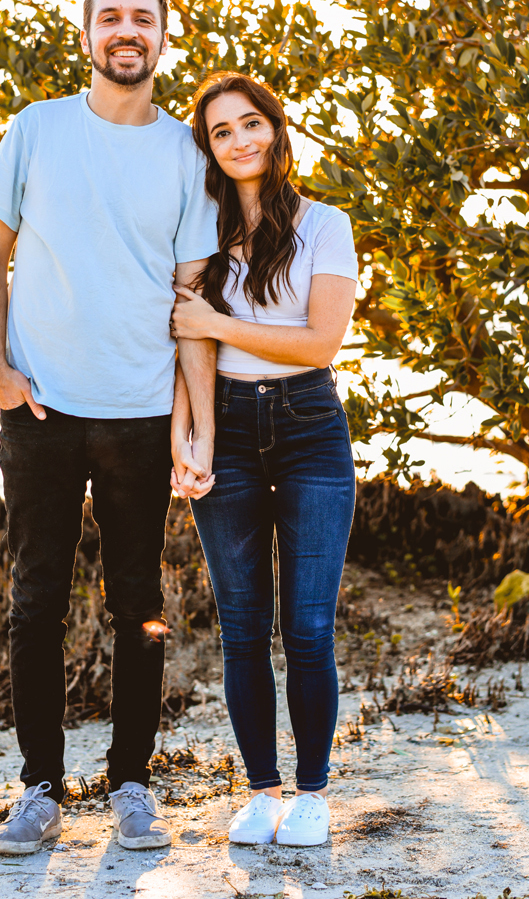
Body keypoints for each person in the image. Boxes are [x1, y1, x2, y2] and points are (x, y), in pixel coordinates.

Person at [0, 0, 219, 855]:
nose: (127, 31)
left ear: (162, 36)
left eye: (142, 19)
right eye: (110, 17)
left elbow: (191, 303)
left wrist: (194, 422)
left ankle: (131, 784)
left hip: (143, 417)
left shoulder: (188, 154)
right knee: (35, 599)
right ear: (86, 36)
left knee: (139, 601)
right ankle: (39, 788)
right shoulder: (36, 131)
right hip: (41, 413)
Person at [166, 71, 358, 847]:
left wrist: (219, 319)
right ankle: (262, 791)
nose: (241, 140)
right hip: (230, 428)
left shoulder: (326, 224)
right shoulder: (197, 235)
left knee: (308, 627)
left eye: (252, 124)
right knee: (241, 627)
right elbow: (189, 340)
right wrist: (195, 434)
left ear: (275, 131)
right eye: (222, 131)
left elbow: (320, 341)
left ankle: (312, 794)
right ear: (209, 149)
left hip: (311, 424)